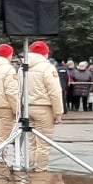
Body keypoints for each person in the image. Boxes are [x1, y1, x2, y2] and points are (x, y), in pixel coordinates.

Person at [23, 41, 64, 171]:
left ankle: (31, 166)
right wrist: (58, 112)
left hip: (27, 108)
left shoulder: (23, 67)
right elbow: (55, 92)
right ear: (45, 53)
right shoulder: (47, 68)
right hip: (43, 108)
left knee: (33, 142)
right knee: (43, 143)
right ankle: (41, 169)